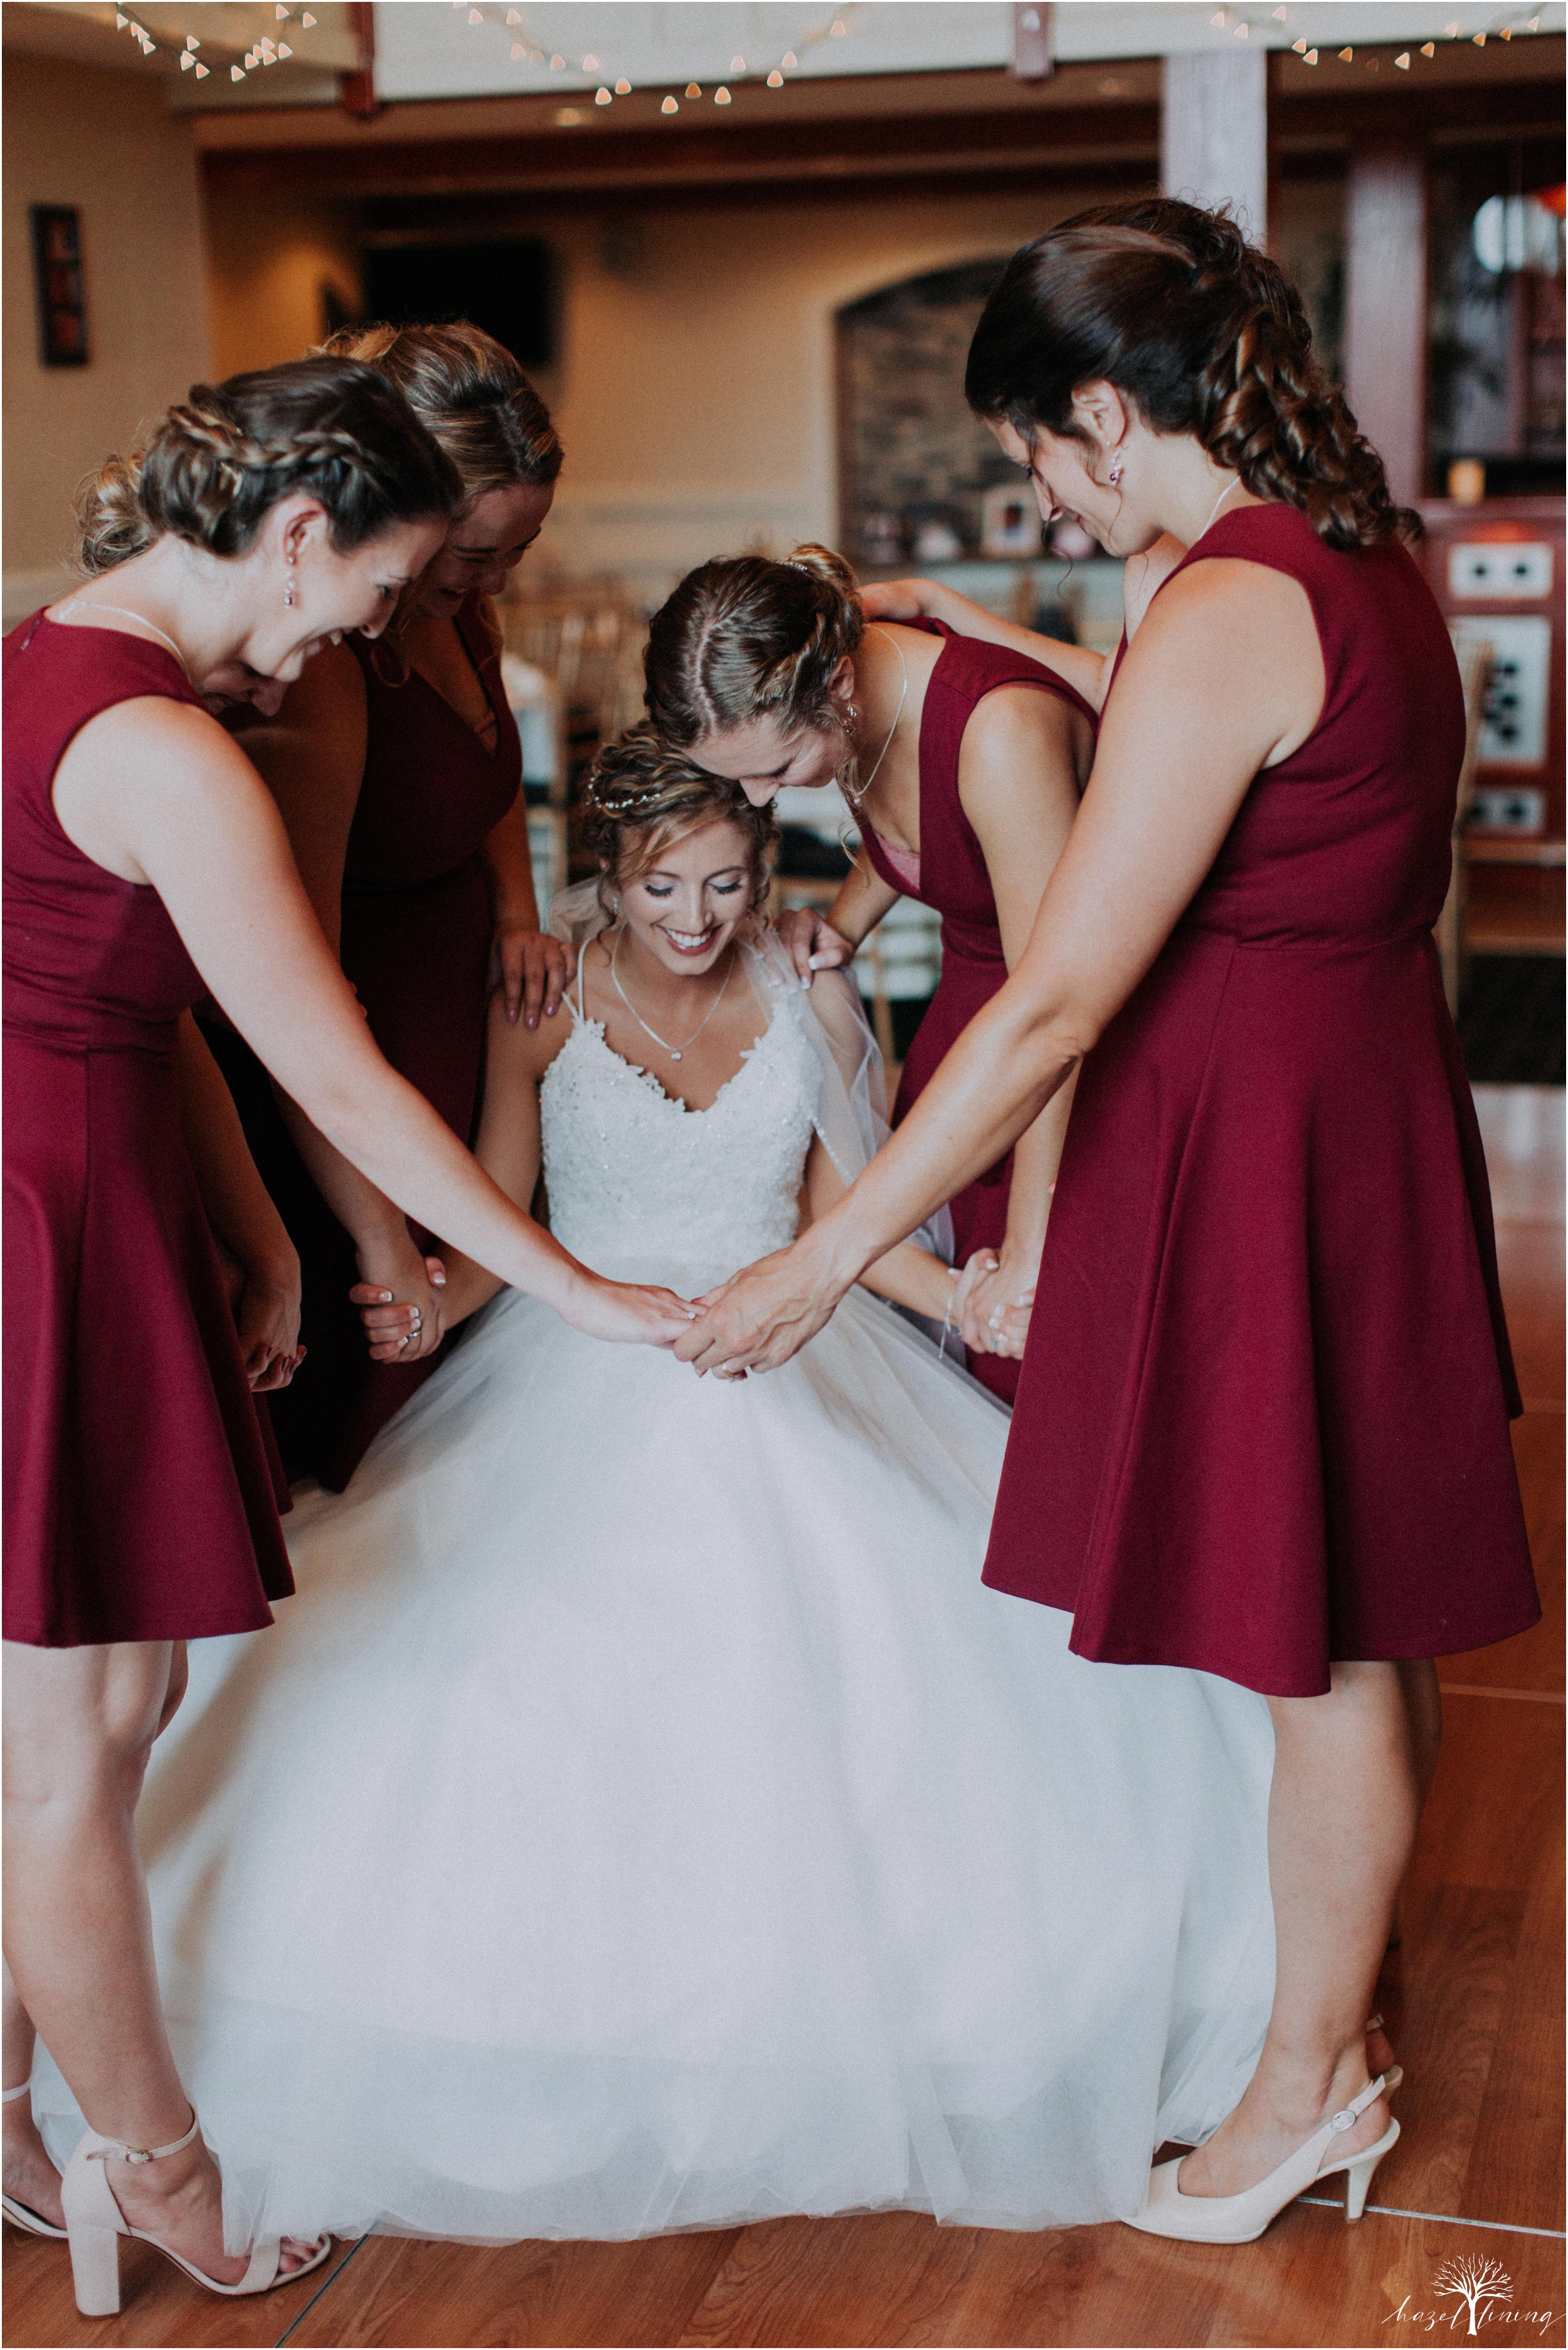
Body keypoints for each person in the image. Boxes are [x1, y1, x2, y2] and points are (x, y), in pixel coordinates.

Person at [102, 739, 1280, 2245]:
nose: (697, 915)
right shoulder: (540, 1002)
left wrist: (965, 1290)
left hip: (793, 1345)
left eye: (728, 882)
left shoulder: (804, 987)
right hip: (578, 1355)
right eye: (663, 885)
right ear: (606, 873)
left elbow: (835, 1219)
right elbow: (502, 1208)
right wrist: (427, 1301)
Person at [674, 199, 1539, 2241]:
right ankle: (1345, 2000)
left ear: (1097, 408)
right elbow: (1204, 741)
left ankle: (1305, 2084)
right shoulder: (1357, 553)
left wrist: (824, 1250)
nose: (1045, 492)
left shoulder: (1235, 593)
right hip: (1350, 1099)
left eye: (1044, 450)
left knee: (1308, 1643)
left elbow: (1056, 991)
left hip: (1253, 1130)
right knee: (1365, 1601)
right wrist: (1048, 649)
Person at [3, 363, 692, 2317]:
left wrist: (231, 1232)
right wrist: (566, 1278)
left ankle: (2, 2105)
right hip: (45, 1211)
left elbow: (133, 1013)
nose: (359, 635)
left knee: (118, 1708)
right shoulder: (170, 752)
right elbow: (340, 1073)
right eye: (370, 589)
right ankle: (168, 2174)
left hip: (87, 1182)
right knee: (66, 1738)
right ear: (293, 530)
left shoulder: (37, 659)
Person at [81, 320, 571, 1490]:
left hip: (461, 1021)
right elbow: (303, 1001)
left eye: (520, 549)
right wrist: (378, 1233)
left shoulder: (460, 611)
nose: (493, 579)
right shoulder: (326, 674)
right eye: (472, 553)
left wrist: (516, 908)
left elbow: (487, 763)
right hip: (356, 1062)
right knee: (380, 1453)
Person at [642, 543, 1096, 1401]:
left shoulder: (999, 732)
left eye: (775, 771)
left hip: (1065, 1056)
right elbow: (917, 827)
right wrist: (841, 928)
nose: (767, 802)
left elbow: (1057, 1011)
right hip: (973, 1021)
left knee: (1038, 1350)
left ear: (837, 689)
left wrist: (1032, 1249)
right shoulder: (853, 699)